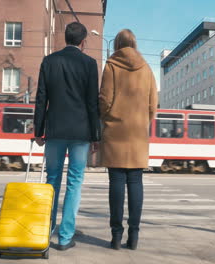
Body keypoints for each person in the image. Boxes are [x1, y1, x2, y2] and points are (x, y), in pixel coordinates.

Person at [33, 22, 100, 251]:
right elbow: (92, 102)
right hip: (80, 132)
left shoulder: (49, 61)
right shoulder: (90, 64)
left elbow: (42, 98)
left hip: (55, 130)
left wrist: (38, 131)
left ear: (65, 38)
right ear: (83, 42)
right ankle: (65, 237)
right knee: (75, 182)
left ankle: (45, 230)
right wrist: (95, 135)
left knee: (52, 181)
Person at [99, 29, 158, 250]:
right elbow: (153, 104)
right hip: (137, 135)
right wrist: (143, 122)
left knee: (116, 185)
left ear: (117, 44)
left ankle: (115, 235)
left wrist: (105, 118)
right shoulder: (147, 69)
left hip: (115, 132)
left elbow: (105, 99)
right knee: (135, 183)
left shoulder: (111, 66)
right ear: (134, 43)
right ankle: (133, 237)